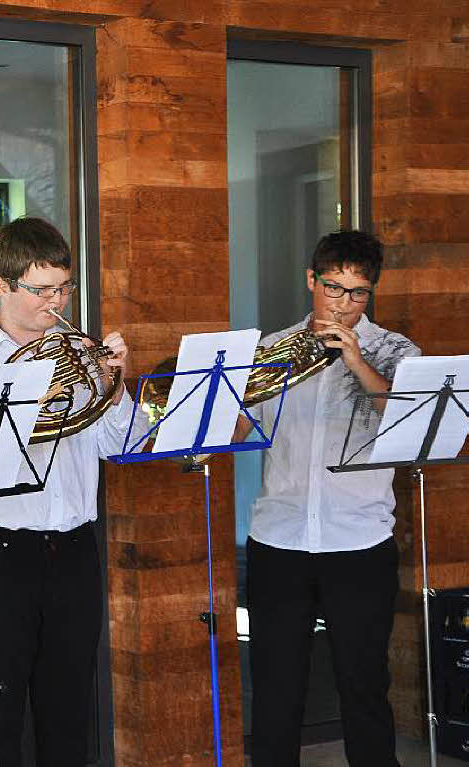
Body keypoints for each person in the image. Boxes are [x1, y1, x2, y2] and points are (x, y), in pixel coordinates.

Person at [0, 216, 146, 766]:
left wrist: (115, 386)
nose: (55, 301)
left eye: (63, 287)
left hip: (75, 549)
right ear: (2, 285)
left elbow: (121, 445)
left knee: (69, 710)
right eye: (41, 290)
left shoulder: (81, 353)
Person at [237, 230, 420, 767]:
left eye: (357, 293)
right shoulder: (271, 350)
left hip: (359, 542)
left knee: (363, 688)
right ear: (310, 281)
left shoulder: (395, 351)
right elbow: (241, 431)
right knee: (275, 693)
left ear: (370, 295)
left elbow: (408, 426)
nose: (343, 303)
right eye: (333, 288)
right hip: (278, 540)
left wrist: (357, 362)